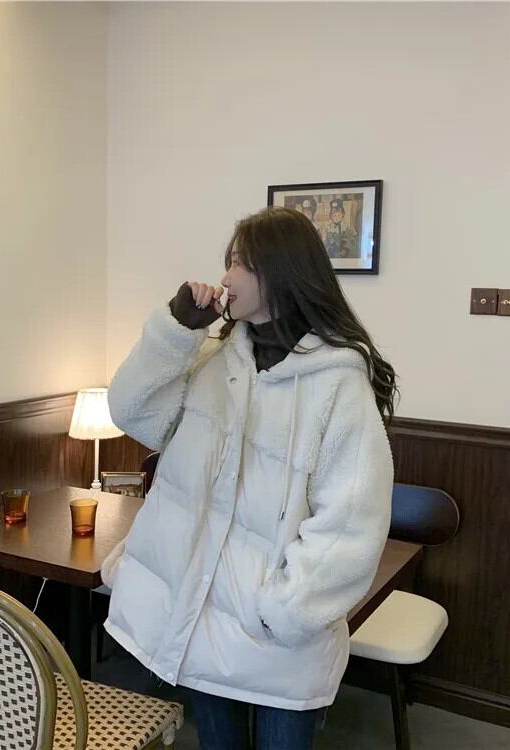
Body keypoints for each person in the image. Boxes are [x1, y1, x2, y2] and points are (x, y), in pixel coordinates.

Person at [103, 206, 396, 750]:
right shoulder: (213, 359)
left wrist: (285, 611)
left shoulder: (338, 383)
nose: (226, 277)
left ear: (280, 273)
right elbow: (132, 413)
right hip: (204, 620)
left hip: (277, 638)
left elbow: (351, 519)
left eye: (240, 264)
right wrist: (176, 331)